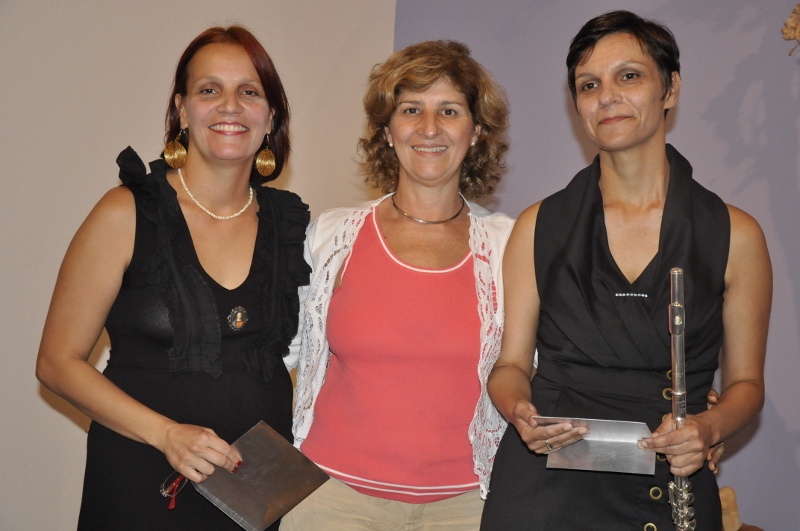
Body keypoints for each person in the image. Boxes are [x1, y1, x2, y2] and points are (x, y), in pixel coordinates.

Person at [481, 10, 771, 531]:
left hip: (671, 482)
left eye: (629, 76)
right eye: (589, 85)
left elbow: (747, 384)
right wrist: (518, 409)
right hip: (544, 491)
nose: (607, 96)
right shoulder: (537, 226)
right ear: (577, 104)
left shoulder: (737, 234)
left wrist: (707, 429)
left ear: (671, 88)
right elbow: (510, 367)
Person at [35, 26, 310, 530]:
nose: (230, 106)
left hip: (253, 494)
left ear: (271, 117)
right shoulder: (126, 212)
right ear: (182, 110)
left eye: (249, 92)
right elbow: (56, 362)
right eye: (210, 90)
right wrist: (166, 434)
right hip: (141, 483)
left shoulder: (293, 225)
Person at [280, 40, 514, 530]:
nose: (429, 128)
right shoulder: (331, 236)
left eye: (449, 110)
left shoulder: (508, 245)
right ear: (387, 131)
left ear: (475, 132)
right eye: (411, 110)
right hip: (331, 501)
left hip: (466, 509)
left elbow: (538, 366)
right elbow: (278, 355)